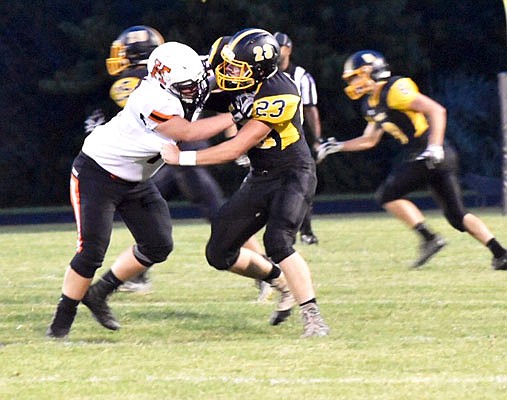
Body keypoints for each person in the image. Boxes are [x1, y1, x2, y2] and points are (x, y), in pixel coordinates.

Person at [46, 41, 291, 338]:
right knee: (91, 251)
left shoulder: (190, 71)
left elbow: (227, 62)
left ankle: (99, 293)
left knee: (158, 244)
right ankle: (61, 324)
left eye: (193, 84)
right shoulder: (151, 98)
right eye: (184, 87)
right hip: (98, 173)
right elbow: (187, 133)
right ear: (163, 80)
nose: (192, 90)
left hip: (137, 178)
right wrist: (236, 115)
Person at [161, 28, 330, 338]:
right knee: (218, 253)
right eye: (229, 65)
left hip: (293, 173)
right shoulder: (240, 77)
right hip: (261, 176)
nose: (229, 72)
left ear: (259, 69)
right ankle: (281, 283)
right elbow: (198, 82)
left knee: (278, 242)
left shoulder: (281, 92)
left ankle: (313, 315)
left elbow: (237, 146)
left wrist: (181, 158)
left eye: (237, 67)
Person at [94, 26, 272, 300]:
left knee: (219, 216)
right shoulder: (179, 71)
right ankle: (137, 275)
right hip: (169, 158)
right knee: (149, 217)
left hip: (184, 155)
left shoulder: (139, 81)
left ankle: (264, 271)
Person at [316, 49, 507, 269]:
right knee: (457, 216)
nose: (354, 81)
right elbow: (369, 140)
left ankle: (429, 238)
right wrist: (338, 146)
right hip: (432, 154)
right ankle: (500, 253)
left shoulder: (395, 89)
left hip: (430, 151)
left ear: (372, 71)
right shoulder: (370, 103)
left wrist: (434, 147)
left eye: (357, 75)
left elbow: (437, 110)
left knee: (388, 195)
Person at [274, 32, 322, 245]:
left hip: (294, 137)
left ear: (289, 49)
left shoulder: (301, 76)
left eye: (280, 46)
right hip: (269, 136)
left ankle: (306, 230)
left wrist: (318, 138)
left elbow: (311, 109)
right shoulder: (266, 73)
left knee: (300, 183)